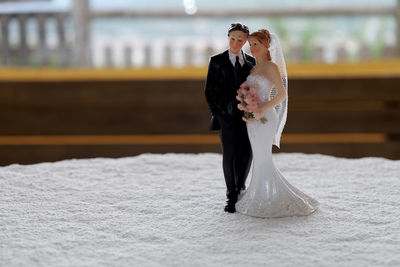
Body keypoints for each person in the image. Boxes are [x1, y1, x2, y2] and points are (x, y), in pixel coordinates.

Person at [235, 29, 320, 218]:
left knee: (264, 155)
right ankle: (257, 192)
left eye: (256, 44)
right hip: (252, 118)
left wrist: (263, 105)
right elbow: (249, 90)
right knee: (257, 155)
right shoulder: (254, 69)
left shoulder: (271, 67)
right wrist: (245, 103)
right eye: (251, 44)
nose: (252, 47)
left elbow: (282, 94)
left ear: (267, 46)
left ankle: (271, 196)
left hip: (265, 118)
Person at [204, 23, 256, 213]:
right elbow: (210, 91)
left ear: (245, 42)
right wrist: (220, 113)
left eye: (240, 40)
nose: (235, 43)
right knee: (230, 154)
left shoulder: (251, 62)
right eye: (233, 38)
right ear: (228, 38)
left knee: (246, 152)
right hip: (226, 117)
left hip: (248, 116)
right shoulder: (216, 61)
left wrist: (252, 107)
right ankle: (231, 193)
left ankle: (241, 186)